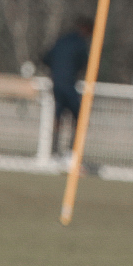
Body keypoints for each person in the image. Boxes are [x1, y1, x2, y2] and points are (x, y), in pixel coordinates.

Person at [41, 17, 93, 160]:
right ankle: (71, 153)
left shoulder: (62, 40)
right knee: (80, 117)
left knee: (58, 116)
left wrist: (57, 71)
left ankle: (53, 152)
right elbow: (84, 63)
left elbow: (45, 58)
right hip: (68, 85)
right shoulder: (80, 44)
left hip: (56, 83)